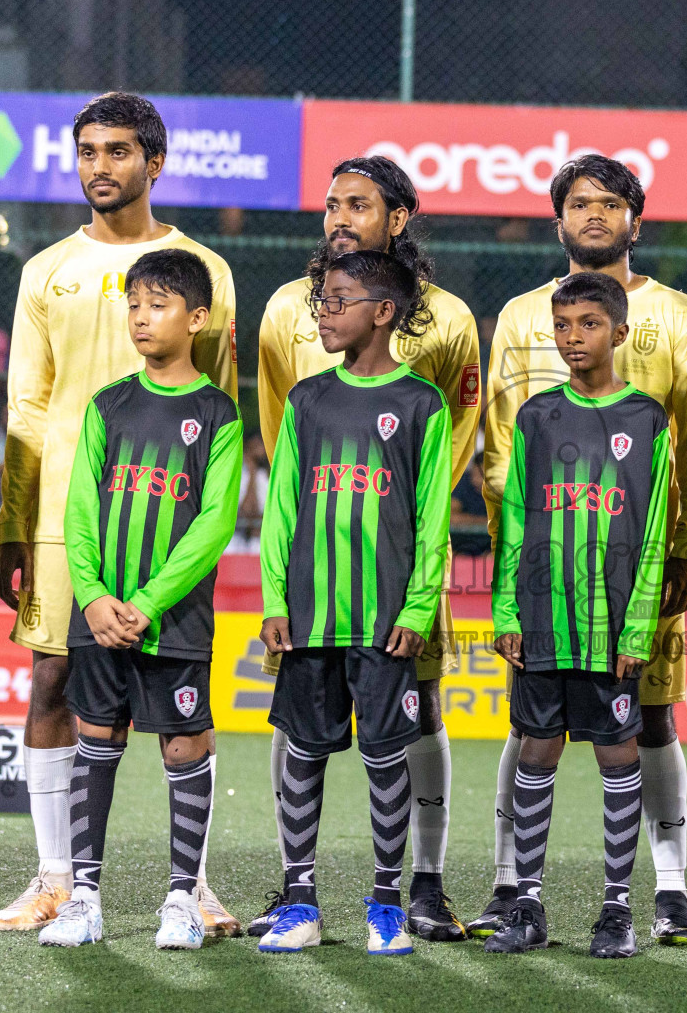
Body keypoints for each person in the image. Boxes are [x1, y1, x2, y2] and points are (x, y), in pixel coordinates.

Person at [0, 92, 239, 936]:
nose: (102, 166)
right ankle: (56, 877)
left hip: (168, 522)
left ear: (154, 162)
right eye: (88, 151)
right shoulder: (45, 268)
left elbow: (221, 402)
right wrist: (16, 523)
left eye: (119, 151)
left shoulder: (204, 268)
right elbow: (26, 407)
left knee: (181, 706)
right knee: (54, 681)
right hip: (71, 521)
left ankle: (192, 885)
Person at [478, 154, 687, 944]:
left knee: (651, 719)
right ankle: (514, 886)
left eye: (608, 203)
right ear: (559, 220)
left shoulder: (678, 316)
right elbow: (504, 455)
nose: (592, 215)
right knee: (531, 734)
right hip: (546, 579)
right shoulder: (520, 316)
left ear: (634, 219)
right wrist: (510, 587)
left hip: (633, 577)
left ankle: (665, 890)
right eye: (578, 203)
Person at [253, 155, 479, 942]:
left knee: (398, 747)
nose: (324, 312)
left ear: (382, 311)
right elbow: (281, 499)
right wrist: (274, 596)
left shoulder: (425, 389)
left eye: (339, 303)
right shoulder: (308, 394)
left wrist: (419, 599)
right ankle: (299, 897)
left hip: (389, 611)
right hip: (311, 610)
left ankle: (398, 898)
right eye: (330, 203)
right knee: (303, 748)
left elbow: (431, 505)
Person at [38, 250, 241, 950]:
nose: (142, 318)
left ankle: (183, 898)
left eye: (158, 305)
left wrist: (148, 602)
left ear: (198, 318)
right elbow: (81, 509)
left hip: (173, 621)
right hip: (99, 618)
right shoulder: (109, 405)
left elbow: (215, 522)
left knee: (184, 745)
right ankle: (83, 898)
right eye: (134, 305)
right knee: (95, 743)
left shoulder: (217, 412)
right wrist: (92, 597)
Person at [480, 272, 669, 958]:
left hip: (610, 627)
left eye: (588, 324)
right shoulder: (536, 415)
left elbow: (654, 531)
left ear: (619, 332)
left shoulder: (646, 419)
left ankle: (616, 910)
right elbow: (517, 518)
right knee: (535, 747)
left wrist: (640, 625)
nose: (573, 338)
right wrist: (506, 609)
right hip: (539, 620)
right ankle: (526, 904)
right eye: (562, 326)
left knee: (619, 753)